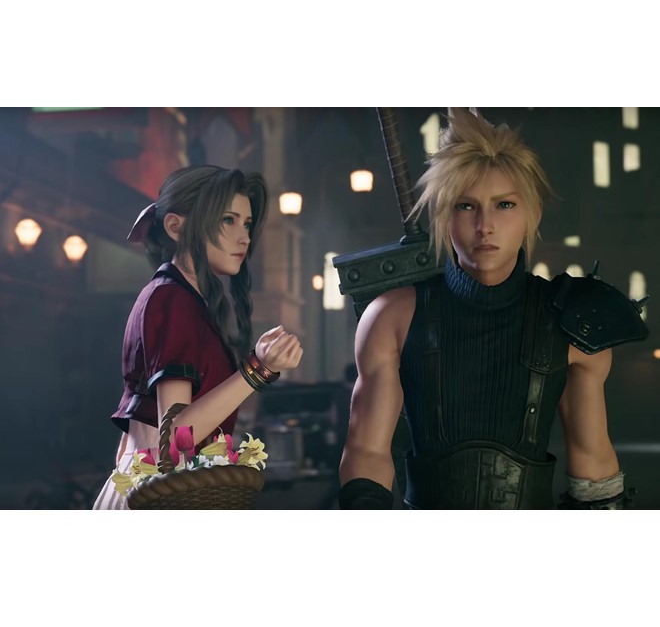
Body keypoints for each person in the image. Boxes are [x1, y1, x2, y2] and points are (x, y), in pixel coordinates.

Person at [338, 108, 647, 510]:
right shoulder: (392, 317)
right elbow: (366, 451)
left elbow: (593, 466)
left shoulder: (573, 323)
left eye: (504, 205)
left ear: (531, 214)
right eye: (466, 206)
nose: (485, 225)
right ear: (443, 217)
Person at [93, 165, 303, 509]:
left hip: (152, 485)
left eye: (247, 223)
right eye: (228, 220)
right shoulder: (172, 298)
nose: (244, 237)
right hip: (159, 492)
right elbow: (176, 439)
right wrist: (258, 369)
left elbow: (143, 434)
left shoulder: (176, 297)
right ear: (176, 227)